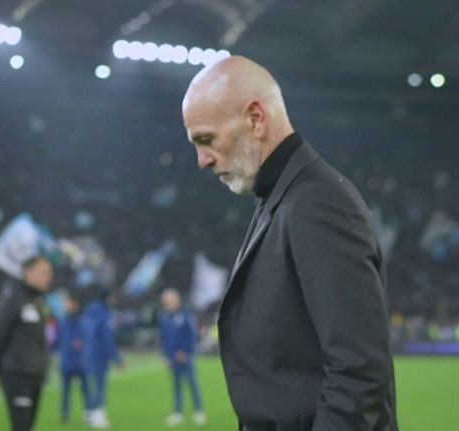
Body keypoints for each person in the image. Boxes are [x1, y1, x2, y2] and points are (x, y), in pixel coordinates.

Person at [181, 56, 398, 431]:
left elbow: (358, 370)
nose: (202, 160)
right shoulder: (282, 197)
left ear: (255, 119)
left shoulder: (317, 202)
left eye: (206, 139)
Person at [0, 255, 53, 431]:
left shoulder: (39, 301)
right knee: (21, 426)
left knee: (28, 426)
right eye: (44, 272)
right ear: (28, 272)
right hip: (17, 373)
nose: (48, 277)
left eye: (49, 273)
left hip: (36, 374)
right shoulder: (13, 298)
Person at [159, 288, 206, 426]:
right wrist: (166, 356)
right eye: (165, 302)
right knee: (176, 385)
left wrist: (185, 352)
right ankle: (178, 412)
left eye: (169, 301)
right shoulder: (164, 317)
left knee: (192, 383)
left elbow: (192, 336)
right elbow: (163, 338)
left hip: (186, 357)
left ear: (177, 300)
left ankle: (199, 411)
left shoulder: (186, 315)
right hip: (172, 357)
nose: (167, 304)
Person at [81, 289, 124, 429]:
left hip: (88, 353)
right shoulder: (104, 313)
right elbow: (106, 338)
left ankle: (89, 413)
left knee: (90, 385)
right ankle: (98, 415)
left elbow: (85, 331)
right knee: (99, 385)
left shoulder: (89, 310)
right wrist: (116, 358)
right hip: (99, 355)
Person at [55, 289, 91, 424]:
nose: (66, 305)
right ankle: (65, 415)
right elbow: (57, 340)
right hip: (67, 362)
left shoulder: (84, 319)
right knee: (65, 391)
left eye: (68, 302)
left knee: (85, 390)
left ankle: (89, 413)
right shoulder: (62, 320)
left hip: (82, 362)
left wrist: (82, 342)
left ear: (75, 303)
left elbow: (89, 338)